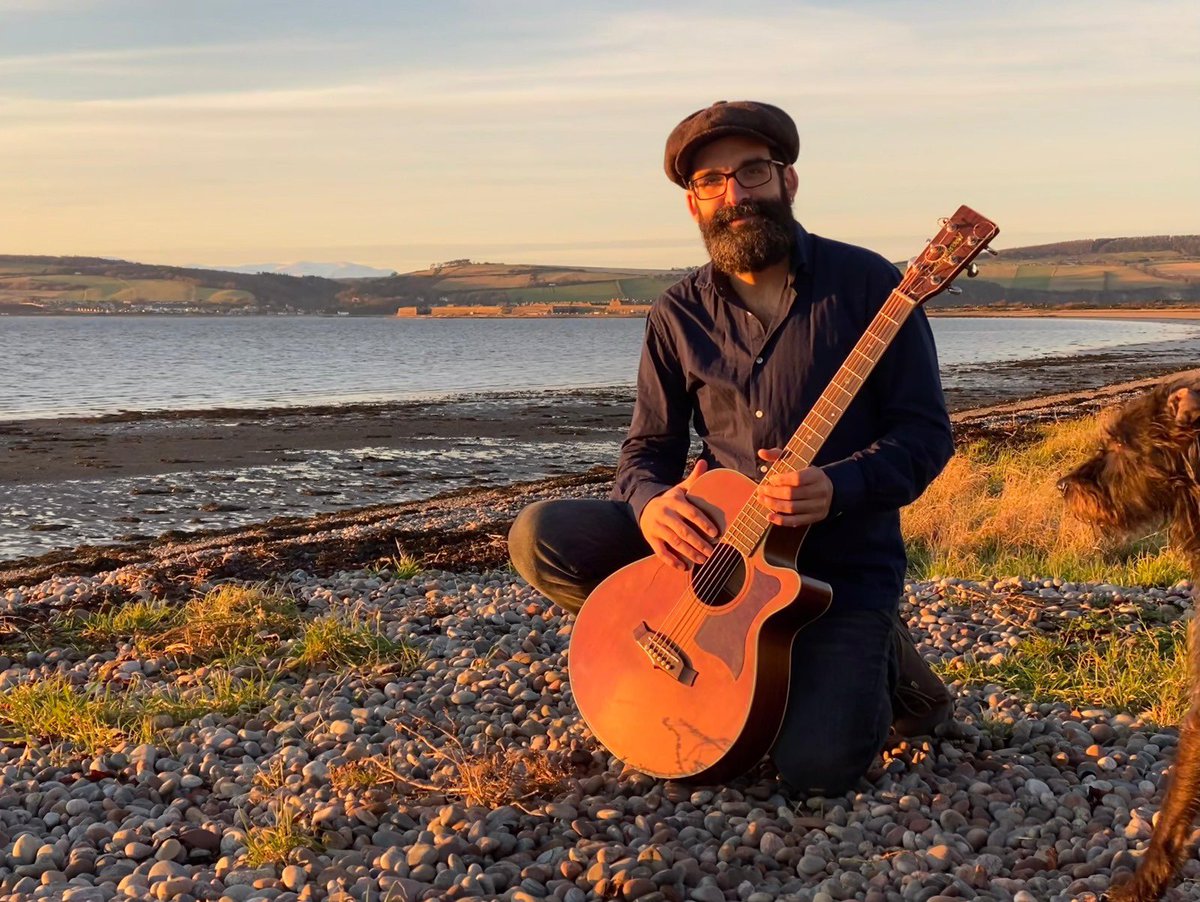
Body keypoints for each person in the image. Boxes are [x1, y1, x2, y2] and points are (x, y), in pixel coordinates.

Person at [509, 100, 954, 794]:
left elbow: (925, 438)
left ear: (788, 181)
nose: (735, 194)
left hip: (833, 576)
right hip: (711, 557)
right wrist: (652, 505)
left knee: (814, 769)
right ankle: (719, 658)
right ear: (693, 204)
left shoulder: (874, 289)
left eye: (752, 172)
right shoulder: (676, 313)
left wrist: (838, 487)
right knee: (541, 535)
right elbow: (646, 451)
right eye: (712, 181)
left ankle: (890, 665)